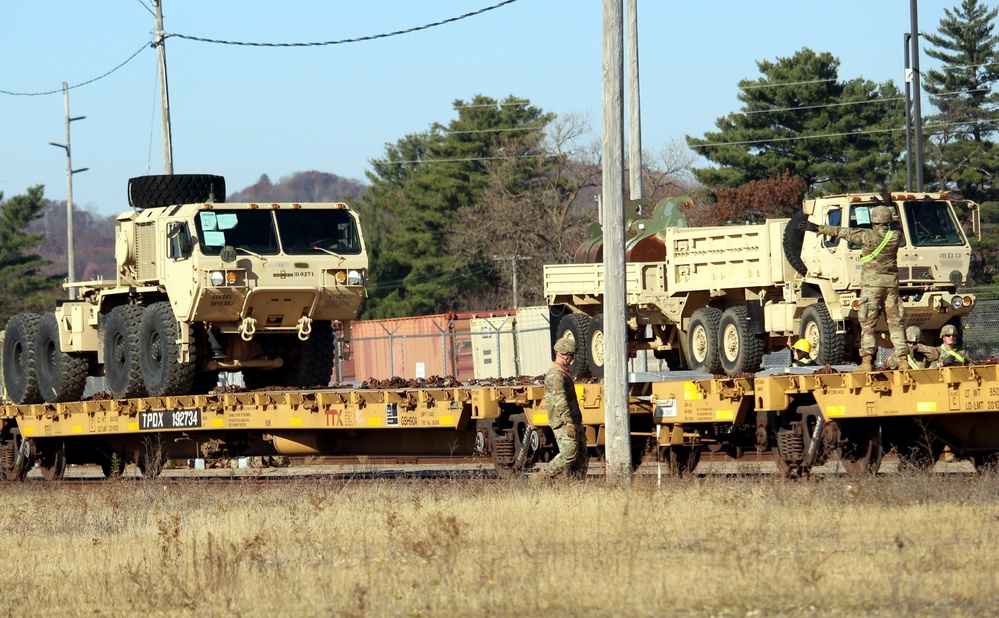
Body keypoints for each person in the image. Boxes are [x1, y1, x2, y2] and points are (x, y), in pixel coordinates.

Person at [800, 196, 905, 372]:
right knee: (895, 323)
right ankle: (903, 360)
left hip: (872, 287)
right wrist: (889, 206)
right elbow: (895, 224)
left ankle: (866, 362)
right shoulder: (896, 236)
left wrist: (817, 228)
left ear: (874, 221)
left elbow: (842, 231)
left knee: (868, 324)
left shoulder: (867, 236)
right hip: (891, 285)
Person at [538, 337, 589, 480]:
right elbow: (560, 402)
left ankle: (576, 489)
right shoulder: (556, 375)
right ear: (560, 353)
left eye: (572, 355)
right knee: (569, 453)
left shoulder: (563, 372)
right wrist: (568, 423)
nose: (571, 358)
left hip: (573, 420)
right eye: (569, 355)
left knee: (581, 458)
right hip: (563, 422)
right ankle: (542, 477)